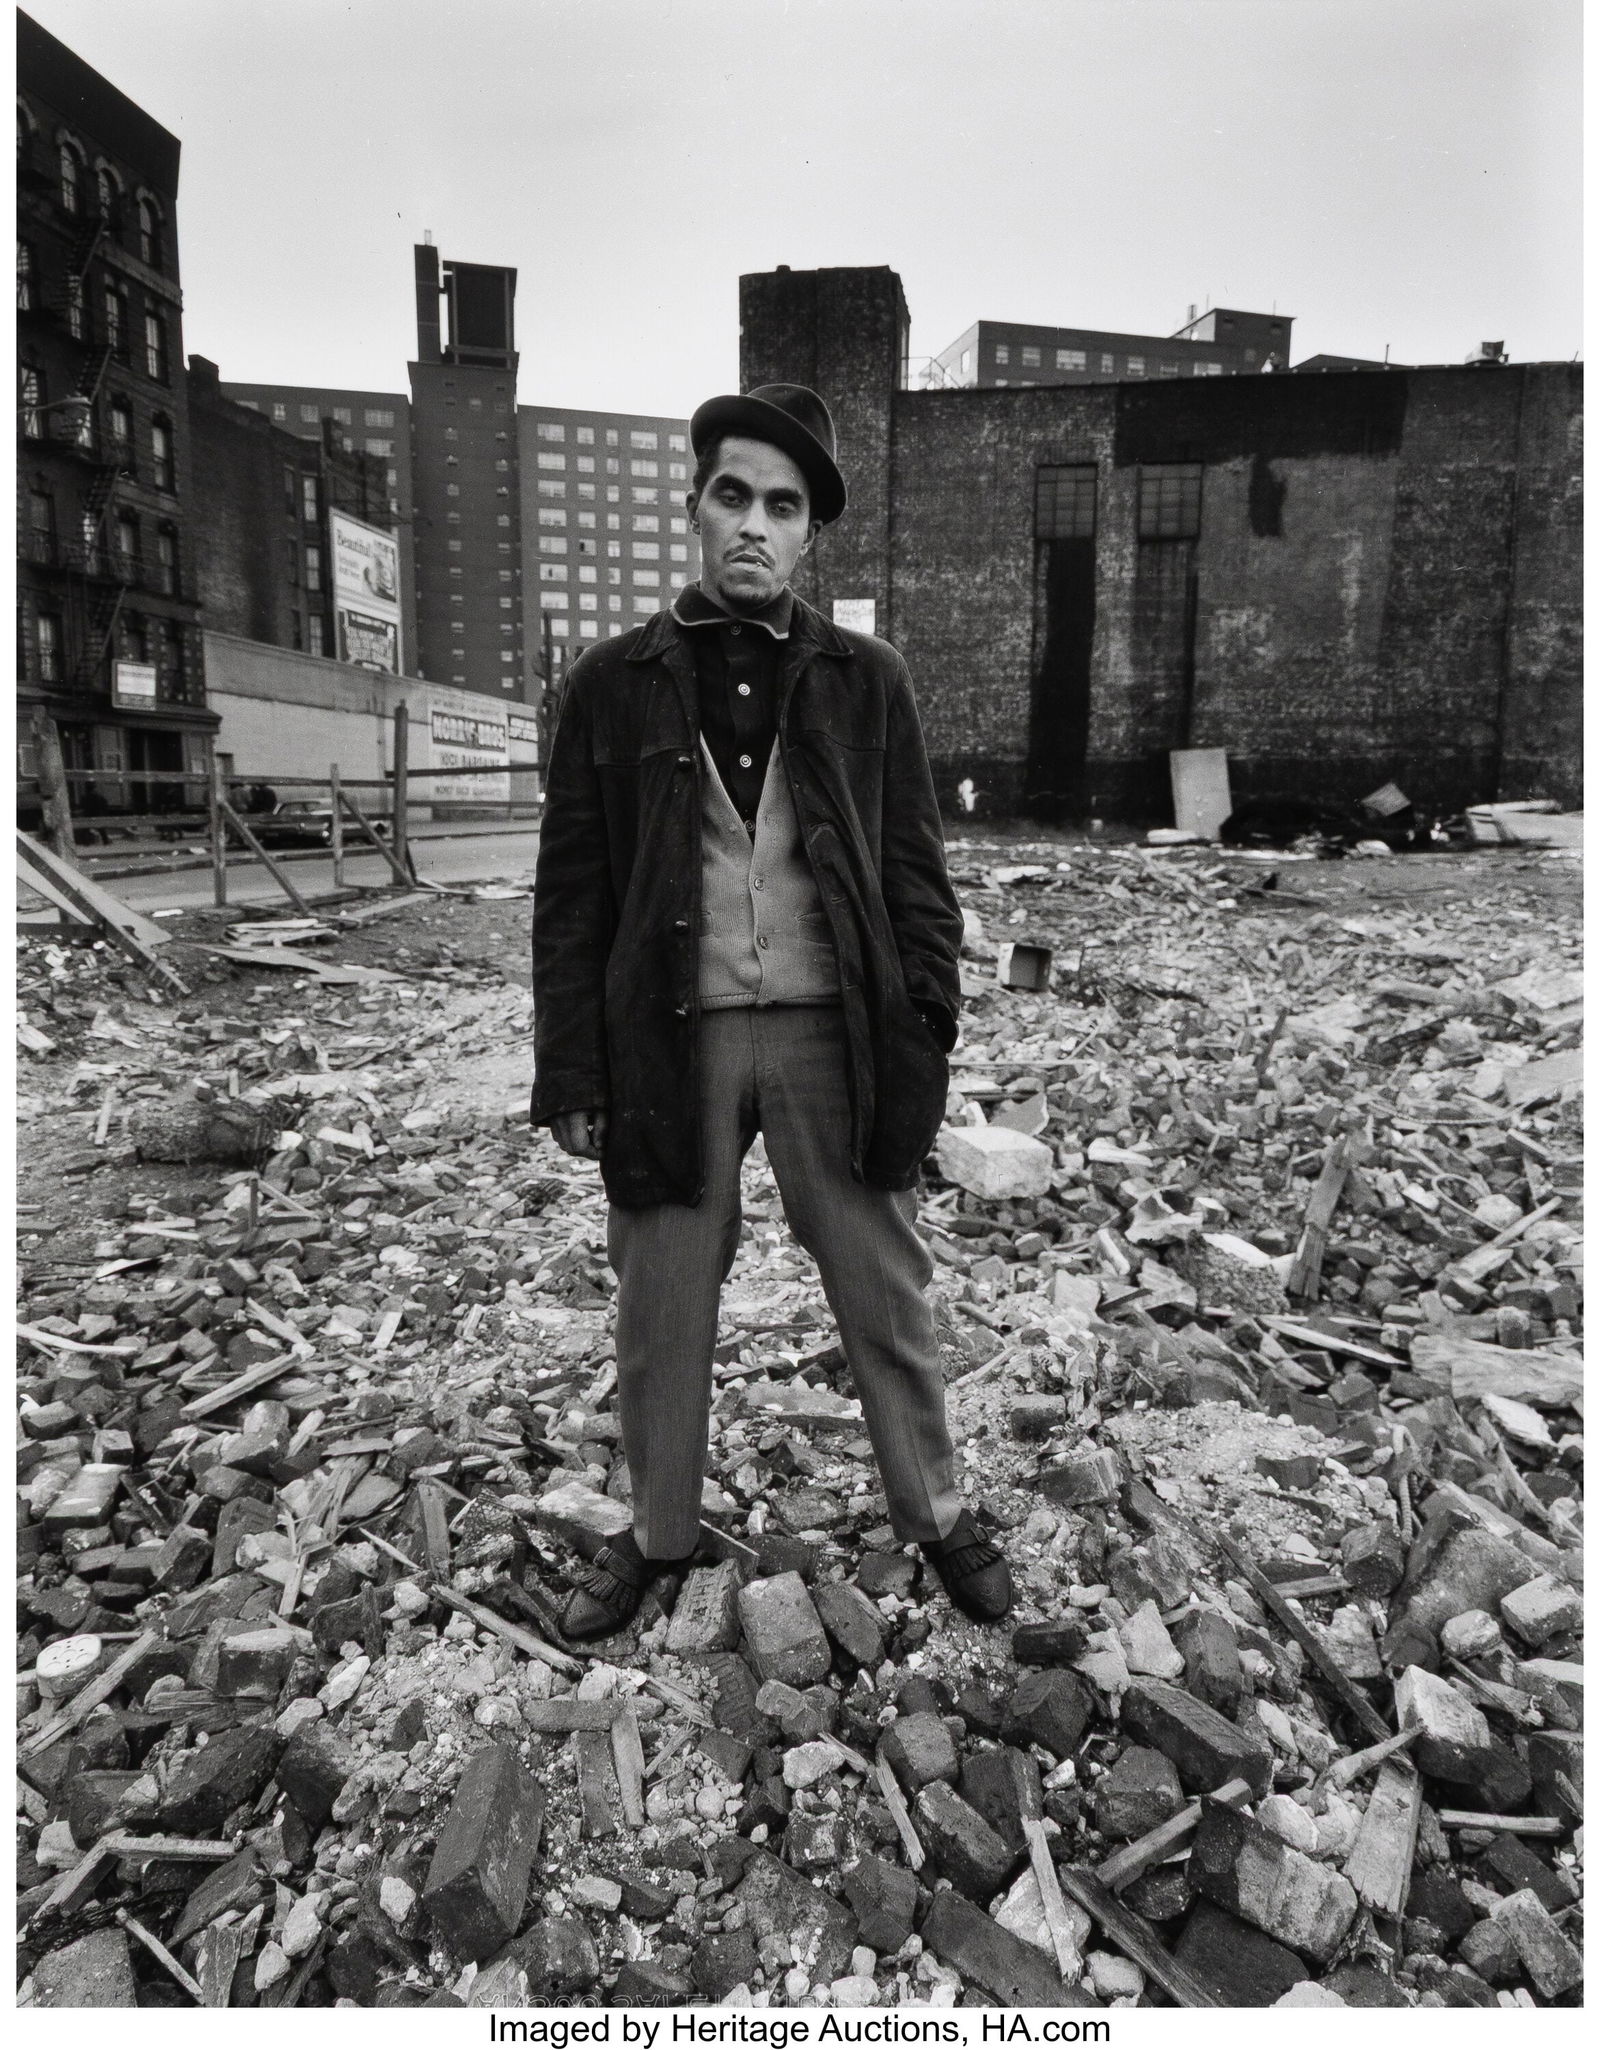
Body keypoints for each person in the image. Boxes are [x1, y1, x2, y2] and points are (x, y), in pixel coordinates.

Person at [531, 384, 1012, 1638]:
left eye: (783, 505)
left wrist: (927, 1027)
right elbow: (572, 894)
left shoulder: (868, 680)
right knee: (662, 1298)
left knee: (882, 1283)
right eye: (734, 494)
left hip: (830, 1032)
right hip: (669, 1038)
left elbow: (916, 874)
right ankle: (656, 1534)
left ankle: (939, 1512)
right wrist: (572, 1071)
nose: (755, 523)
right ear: (695, 506)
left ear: (809, 534)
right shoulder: (609, 684)